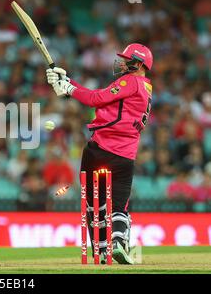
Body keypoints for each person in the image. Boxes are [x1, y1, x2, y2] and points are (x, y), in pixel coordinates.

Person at [46, 43, 154, 264]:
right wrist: (68, 82)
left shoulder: (130, 81)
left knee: (93, 204)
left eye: (127, 59)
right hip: (126, 156)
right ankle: (119, 244)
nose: (122, 62)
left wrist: (69, 88)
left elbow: (95, 99)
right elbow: (100, 98)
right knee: (119, 207)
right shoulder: (145, 86)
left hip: (100, 150)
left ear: (140, 64)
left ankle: (102, 249)